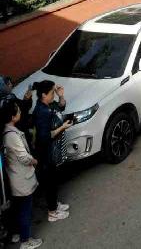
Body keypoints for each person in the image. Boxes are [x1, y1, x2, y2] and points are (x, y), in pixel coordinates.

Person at [2, 99, 42, 249]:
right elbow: (24, 157)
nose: (20, 112)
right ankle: (26, 241)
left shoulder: (6, 132)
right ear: (12, 117)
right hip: (21, 179)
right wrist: (34, 161)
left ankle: (16, 234)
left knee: (17, 209)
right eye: (18, 111)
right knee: (25, 210)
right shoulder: (12, 135)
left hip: (14, 177)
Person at [31, 80, 70, 223]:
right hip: (45, 154)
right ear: (43, 94)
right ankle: (52, 212)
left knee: (53, 180)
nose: (54, 93)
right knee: (50, 182)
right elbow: (45, 135)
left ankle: (54, 204)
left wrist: (60, 96)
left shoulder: (48, 104)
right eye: (52, 92)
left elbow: (62, 106)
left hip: (52, 152)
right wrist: (62, 127)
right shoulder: (41, 112)